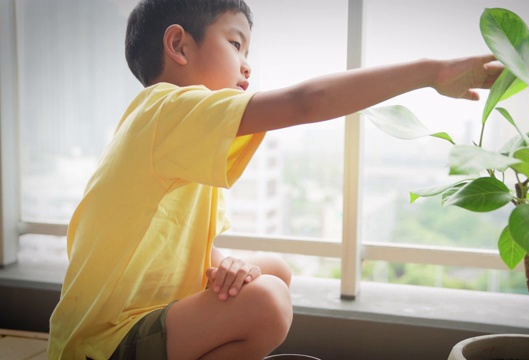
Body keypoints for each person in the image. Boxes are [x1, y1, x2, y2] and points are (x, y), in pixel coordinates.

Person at [48, 0, 503, 359]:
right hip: (102, 346)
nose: (247, 65)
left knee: (274, 271)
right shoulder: (167, 109)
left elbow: (172, 241)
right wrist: (429, 73)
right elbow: (307, 102)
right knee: (267, 303)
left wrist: (224, 263)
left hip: (142, 320)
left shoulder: (172, 132)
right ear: (179, 46)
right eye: (235, 43)